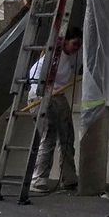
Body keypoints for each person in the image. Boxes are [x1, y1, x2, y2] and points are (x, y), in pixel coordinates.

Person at [31, 31, 82, 193]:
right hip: (40, 95)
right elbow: (34, 78)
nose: (76, 48)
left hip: (58, 95)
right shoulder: (51, 57)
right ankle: (38, 179)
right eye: (74, 43)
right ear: (65, 42)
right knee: (49, 136)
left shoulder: (74, 55)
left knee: (67, 137)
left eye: (79, 45)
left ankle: (68, 178)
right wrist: (43, 94)